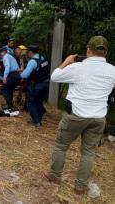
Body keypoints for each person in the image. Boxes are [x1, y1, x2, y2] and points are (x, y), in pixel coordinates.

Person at [44, 36, 115, 195]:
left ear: (88, 50)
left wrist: (67, 61)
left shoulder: (77, 67)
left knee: (61, 146)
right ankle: (80, 187)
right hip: (98, 118)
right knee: (89, 152)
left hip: (76, 114)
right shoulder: (113, 70)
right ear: (106, 52)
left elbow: (55, 77)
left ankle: (54, 176)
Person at [20, 45, 50, 127]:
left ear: (30, 52)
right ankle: (39, 117)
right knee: (39, 101)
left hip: (37, 85)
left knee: (31, 102)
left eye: (27, 52)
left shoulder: (32, 62)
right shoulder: (43, 58)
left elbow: (25, 75)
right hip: (46, 84)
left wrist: (20, 75)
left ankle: (36, 121)